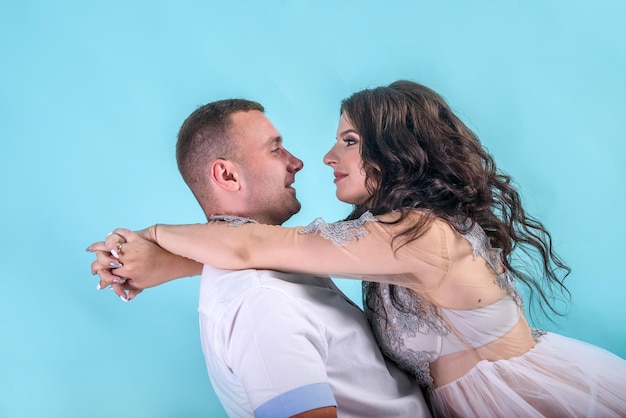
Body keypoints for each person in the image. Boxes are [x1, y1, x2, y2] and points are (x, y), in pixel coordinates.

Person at [96, 81, 626, 417]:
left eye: (348, 140)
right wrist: (162, 266)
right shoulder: (382, 236)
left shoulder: (419, 237)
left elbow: (256, 243)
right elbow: (273, 251)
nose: (323, 157)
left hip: (524, 404)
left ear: (394, 150)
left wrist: (148, 236)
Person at [88, 98, 430, 418]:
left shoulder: (280, 265)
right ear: (227, 175)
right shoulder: (259, 302)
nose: (296, 163)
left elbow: (249, 247)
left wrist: (161, 255)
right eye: (275, 149)